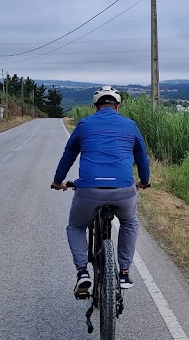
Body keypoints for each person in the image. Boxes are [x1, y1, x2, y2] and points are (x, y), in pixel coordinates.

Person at [51, 86, 150, 297]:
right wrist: (145, 181)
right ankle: (124, 272)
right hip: (123, 190)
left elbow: (68, 155)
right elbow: (142, 156)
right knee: (129, 223)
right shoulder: (130, 125)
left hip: (89, 191)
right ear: (118, 106)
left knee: (76, 226)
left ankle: (82, 273)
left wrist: (58, 181)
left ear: (95, 106)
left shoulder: (85, 124)